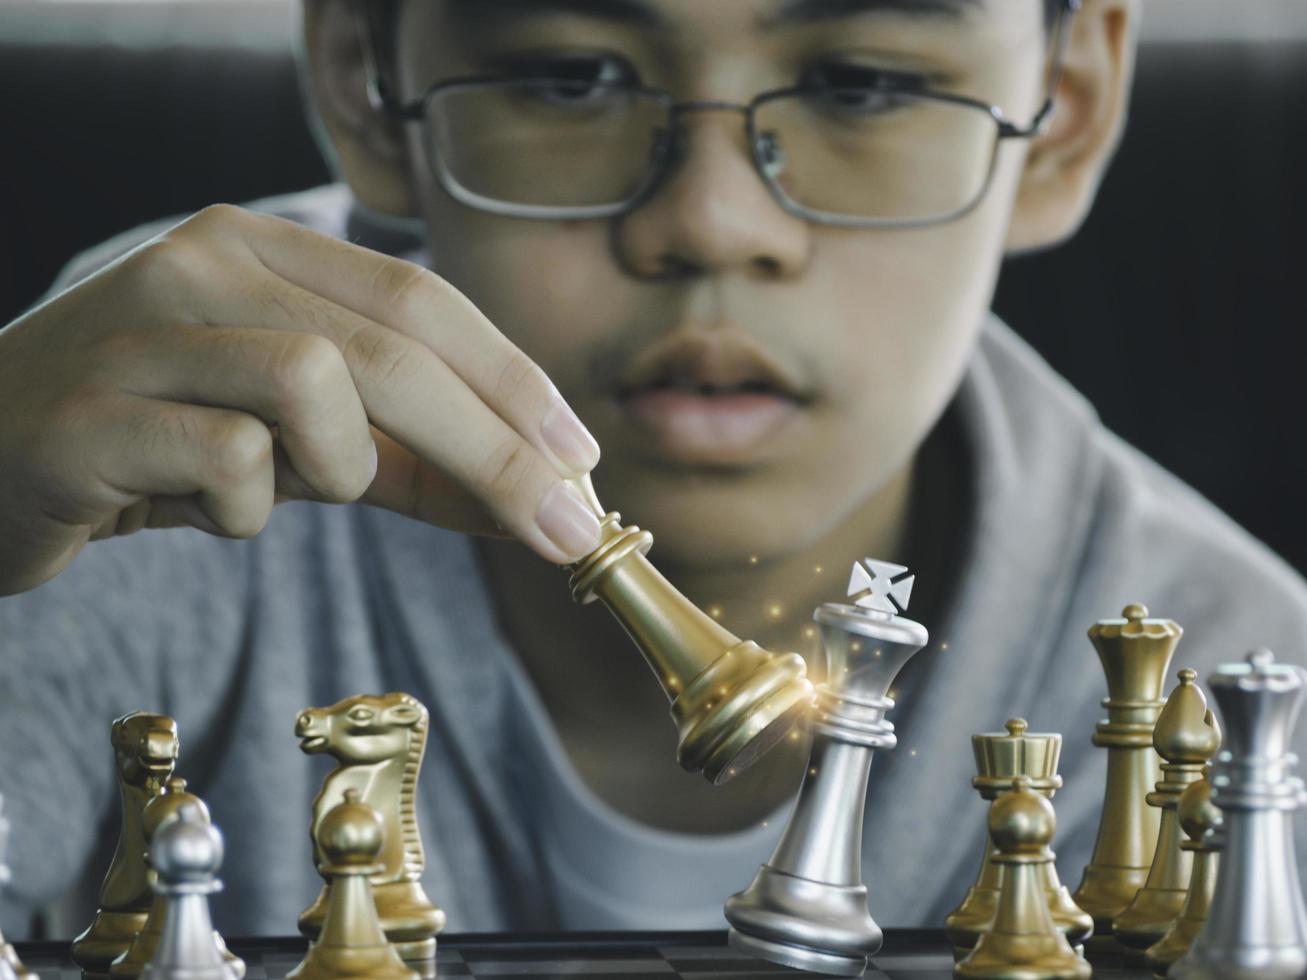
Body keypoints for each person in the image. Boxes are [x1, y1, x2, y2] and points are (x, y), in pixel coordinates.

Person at [0, 0, 1303, 941]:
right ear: (363, 81)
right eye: (570, 74)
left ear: (1062, 113)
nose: (711, 224)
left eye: (861, 80)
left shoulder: (1249, 672)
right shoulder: (136, 460)